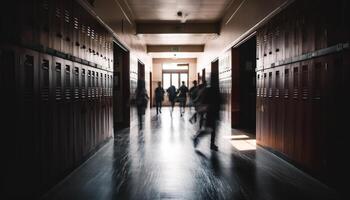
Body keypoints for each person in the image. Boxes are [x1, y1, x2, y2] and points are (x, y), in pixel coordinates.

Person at [192, 76, 222, 151]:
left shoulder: (213, 89)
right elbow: (203, 101)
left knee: (212, 129)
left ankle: (212, 144)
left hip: (213, 112)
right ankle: (197, 137)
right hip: (210, 112)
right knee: (209, 129)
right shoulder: (208, 90)